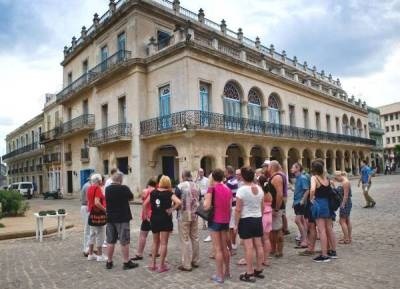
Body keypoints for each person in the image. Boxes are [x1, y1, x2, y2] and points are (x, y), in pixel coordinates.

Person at [144, 175, 181, 273]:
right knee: (164, 243)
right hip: (165, 219)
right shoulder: (169, 193)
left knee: (155, 242)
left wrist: (146, 214)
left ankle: (152, 264)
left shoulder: (153, 192)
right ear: (168, 183)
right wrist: (171, 209)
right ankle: (161, 265)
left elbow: (144, 204)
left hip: (154, 218)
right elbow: (179, 202)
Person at [235, 167, 265, 283]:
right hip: (257, 218)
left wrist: (236, 224)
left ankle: (249, 271)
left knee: (248, 246)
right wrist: (259, 216)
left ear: (242, 177)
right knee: (258, 245)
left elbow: (238, 209)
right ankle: (259, 268)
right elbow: (262, 206)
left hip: (246, 219)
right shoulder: (259, 188)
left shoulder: (242, 190)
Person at [104, 172, 138, 270]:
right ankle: (126, 262)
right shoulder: (124, 188)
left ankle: (109, 262)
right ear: (120, 180)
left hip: (110, 218)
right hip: (122, 218)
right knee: (124, 241)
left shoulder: (107, 189)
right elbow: (131, 198)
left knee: (110, 241)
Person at [204, 168, 232, 284]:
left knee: (217, 249)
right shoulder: (227, 189)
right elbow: (230, 207)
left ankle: (219, 275)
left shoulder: (211, 189)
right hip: (225, 220)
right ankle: (227, 271)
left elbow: (206, 206)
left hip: (215, 220)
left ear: (213, 177)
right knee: (225, 247)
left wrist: (206, 198)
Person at [309, 159, 337, 262]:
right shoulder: (326, 178)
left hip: (319, 204)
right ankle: (333, 251)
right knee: (329, 228)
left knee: (321, 230)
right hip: (328, 204)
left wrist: (311, 199)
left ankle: (324, 254)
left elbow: (312, 189)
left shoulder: (314, 178)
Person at [175, 170, 200, 271]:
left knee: (185, 239)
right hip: (195, 214)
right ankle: (196, 260)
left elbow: (176, 200)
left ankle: (186, 264)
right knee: (195, 238)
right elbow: (200, 198)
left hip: (183, 215)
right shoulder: (197, 186)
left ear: (183, 176)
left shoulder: (180, 186)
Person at [132, 177, 157, 261]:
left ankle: (139, 253)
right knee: (156, 236)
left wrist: (146, 215)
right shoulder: (157, 191)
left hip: (146, 215)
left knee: (143, 235)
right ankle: (155, 251)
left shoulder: (145, 191)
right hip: (155, 215)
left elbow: (143, 202)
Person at [86, 173, 107, 262]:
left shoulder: (89, 188)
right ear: (99, 181)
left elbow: (89, 202)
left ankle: (90, 254)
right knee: (100, 234)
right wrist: (105, 209)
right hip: (98, 214)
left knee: (92, 233)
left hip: (91, 213)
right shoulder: (97, 188)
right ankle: (100, 255)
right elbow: (97, 202)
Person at [267, 161, 285, 258]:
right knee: (272, 230)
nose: (267, 168)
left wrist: (276, 208)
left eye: (269, 166)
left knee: (277, 229)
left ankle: (279, 251)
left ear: (272, 167)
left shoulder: (277, 177)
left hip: (276, 207)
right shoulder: (273, 177)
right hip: (272, 207)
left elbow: (280, 194)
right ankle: (273, 249)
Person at [290, 163, 309, 249]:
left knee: (297, 220)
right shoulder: (298, 178)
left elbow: (307, 190)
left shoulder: (302, 178)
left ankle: (304, 239)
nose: (291, 169)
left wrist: (302, 200)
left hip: (300, 203)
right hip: (297, 202)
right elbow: (299, 190)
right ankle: (304, 239)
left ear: (297, 168)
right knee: (302, 221)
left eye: (293, 167)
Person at [334, 171, 352, 244]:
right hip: (346, 203)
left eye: (336, 179)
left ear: (339, 176)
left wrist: (343, 204)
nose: (337, 180)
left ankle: (347, 238)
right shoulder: (344, 181)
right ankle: (348, 237)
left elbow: (346, 195)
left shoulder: (345, 182)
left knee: (342, 221)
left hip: (345, 203)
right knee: (347, 220)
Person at [225, 165, 239, 251]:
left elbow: (228, 196)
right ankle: (233, 243)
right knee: (233, 226)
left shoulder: (229, 182)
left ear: (228, 172)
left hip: (232, 206)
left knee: (231, 227)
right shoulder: (235, 180)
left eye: (225, 171)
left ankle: (233, 243)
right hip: (235, 204)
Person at [80, 176, 91, 257]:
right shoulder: (88, 186)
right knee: (88, 229)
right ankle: (86, 249)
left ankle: (88, 248)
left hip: (86, 207)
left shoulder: (87, 185)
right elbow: (89, 199)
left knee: (89, 229)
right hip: (86, 207)